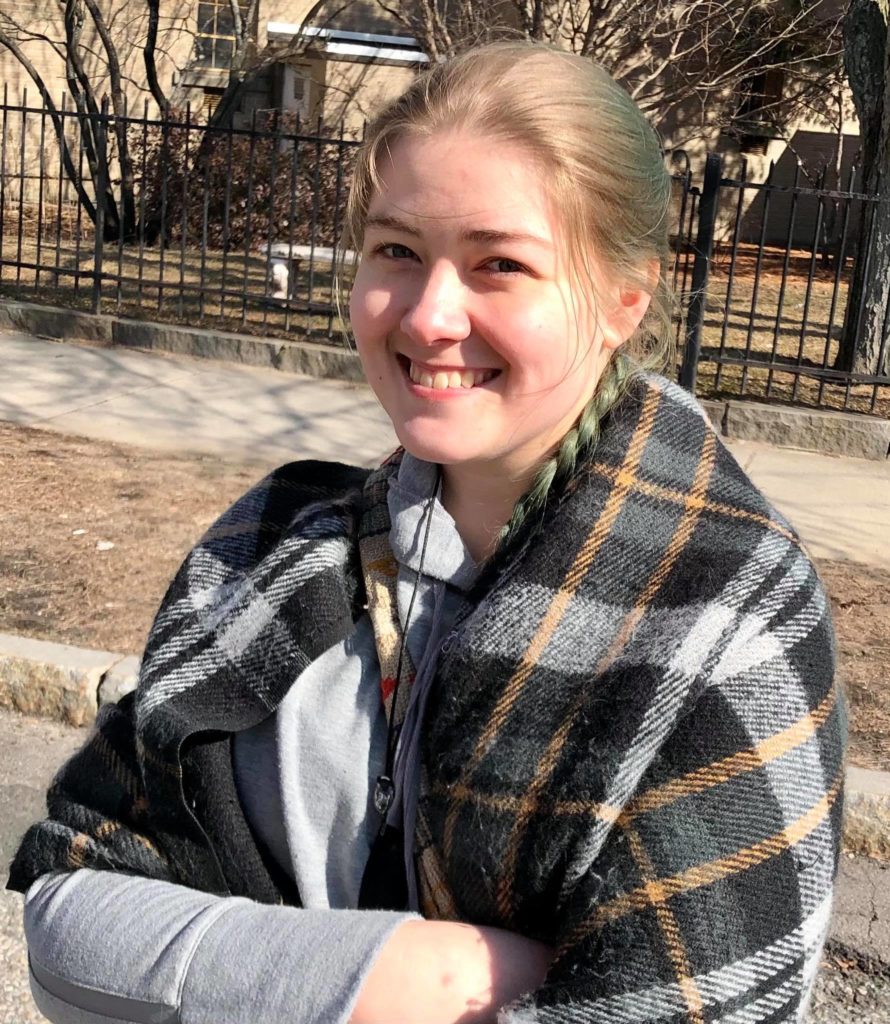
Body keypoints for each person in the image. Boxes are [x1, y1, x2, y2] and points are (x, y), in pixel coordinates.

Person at [8, 41, 844, 1024]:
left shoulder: (725, 625)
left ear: (623, 299)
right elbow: (66, 909)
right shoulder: (273, 547)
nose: (430, 314)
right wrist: (409, 978)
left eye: (499, 264)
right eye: (397, 251)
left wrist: (199, 973)